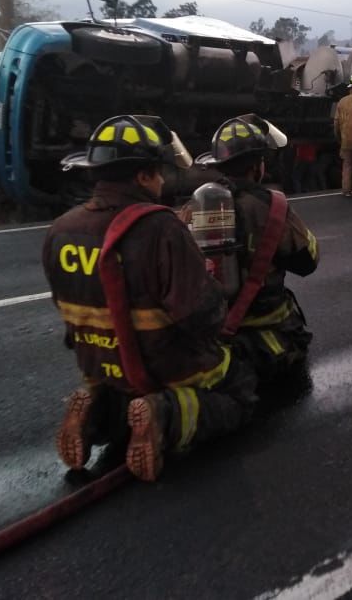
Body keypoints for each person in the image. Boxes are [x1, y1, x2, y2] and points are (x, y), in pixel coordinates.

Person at [43, 114, 258, 482]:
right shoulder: (161, 229)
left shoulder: (61, 231)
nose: (162, 180)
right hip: (164, 366)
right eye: (158, 173)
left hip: (102, 366)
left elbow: (66, 316)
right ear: (142, 176)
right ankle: (166, 415)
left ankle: (95, 413)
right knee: (240, 392)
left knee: (120, 396)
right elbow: (203, 317)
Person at [195, 114, 319, 395]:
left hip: (213, 327)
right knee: (293, 354)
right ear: (258, 166)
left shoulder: (197, 207)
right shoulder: (271, 206)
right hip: (268, 325)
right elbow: (308, 261)